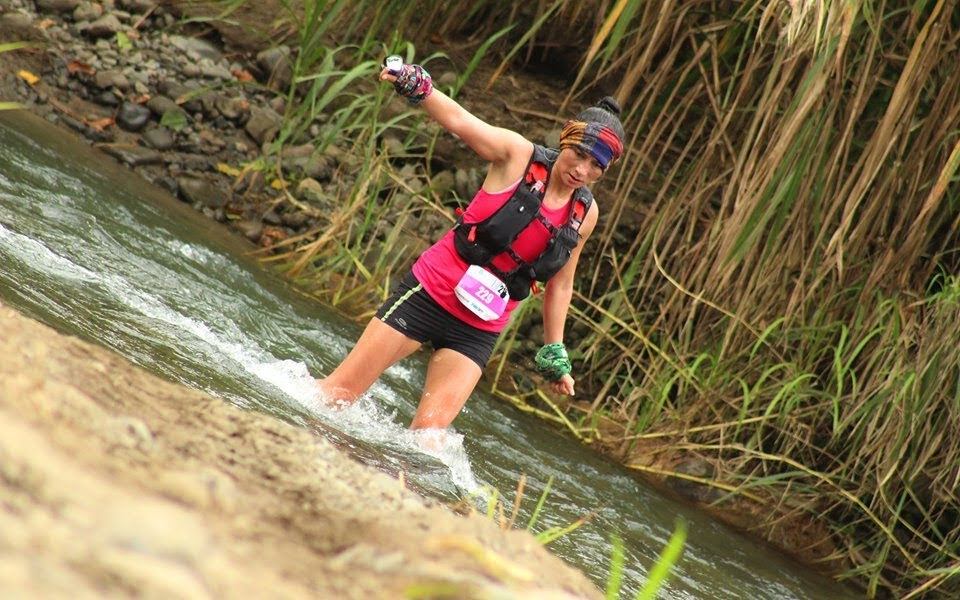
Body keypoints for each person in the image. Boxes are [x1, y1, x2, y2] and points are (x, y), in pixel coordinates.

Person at [316, 58, 625, 430]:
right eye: (580, 154)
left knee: (427, 442)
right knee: (337, 396)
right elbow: (461, 121)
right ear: (567, 140)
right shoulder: (517, 156)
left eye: (596, 167)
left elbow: (561, 282)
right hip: (431, 293)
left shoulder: (584, 213)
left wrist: (555, 349)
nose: (582, 170)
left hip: (481, 326)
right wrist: (419, 85)